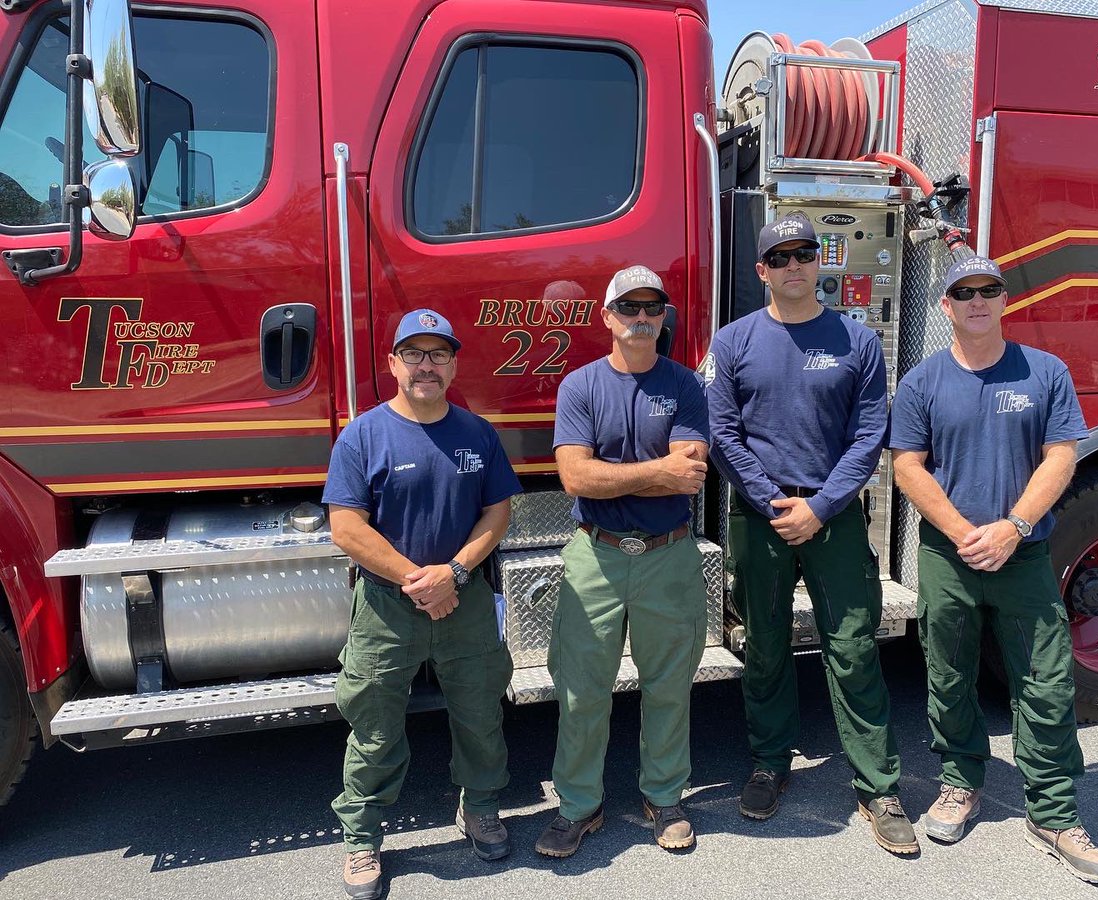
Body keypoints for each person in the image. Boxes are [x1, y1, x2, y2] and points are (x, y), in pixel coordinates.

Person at [889, 255, 1098, 884]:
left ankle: (1054, 812)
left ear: (1004, 300)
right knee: (949, 677)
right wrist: (966, 533)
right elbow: (907, 465)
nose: (977, 301)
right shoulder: (922, 382)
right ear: (946, 307)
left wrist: (1012, 528)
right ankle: (960, 785)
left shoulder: (1045, 373)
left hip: (1023, 554)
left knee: (1045, 683)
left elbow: (1062, 454)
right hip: (950, 556)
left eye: (989, 290)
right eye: (963, 293)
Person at [706, 213, 917, 854]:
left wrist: (821, 507)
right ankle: (770, 764)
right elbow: (723, 433)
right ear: (763, 270)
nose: (796, 264)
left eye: (806, 253)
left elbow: (869, 435)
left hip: (835, 519)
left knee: (853, 647)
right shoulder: (733, 343)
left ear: (818, 262)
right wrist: (773, 500)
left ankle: (879, 786)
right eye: (782, 255)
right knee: (765, 646)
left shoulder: (857, 341)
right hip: (761, 518)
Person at [323, 308, 521, 899]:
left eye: (438, 354)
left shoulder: (477, 433)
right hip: (387, 606)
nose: (426, 365)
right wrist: (419, 579)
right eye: (414, 354)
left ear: (454, 365)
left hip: (465, 598)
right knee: (375, 727)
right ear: (393, 365)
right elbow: (345, 527)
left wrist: (455, 573)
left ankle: (480, 808)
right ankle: (362, 838)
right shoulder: (363, 434)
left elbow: (498, 512)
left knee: (481, 716)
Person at [535, 265, 710, 857]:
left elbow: (688, 475)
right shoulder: (580, 387)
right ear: (607, 317)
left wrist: (625, 478)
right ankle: (579, 807)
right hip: (597, 555)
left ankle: (664, 799)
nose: (641, 318)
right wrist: (654, 471)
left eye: (652, 309)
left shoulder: (685, 384)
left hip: (669, 557)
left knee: (669, 687)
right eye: (629, 308)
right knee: (582, 691)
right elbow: (574, 476)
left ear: (663, 319)